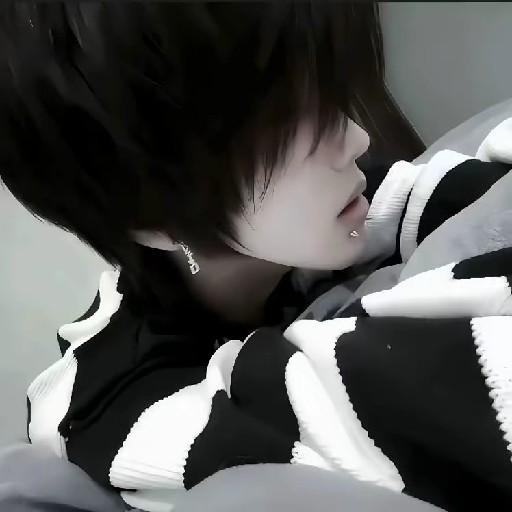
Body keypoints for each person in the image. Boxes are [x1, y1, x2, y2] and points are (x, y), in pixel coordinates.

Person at [2, 3, 512, 512]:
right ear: (155, 217)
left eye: (330, 93)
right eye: (287, 125)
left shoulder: (314, 219)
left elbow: (457, 190)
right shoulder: (109, 405)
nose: (357, 138)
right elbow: (416, 398)